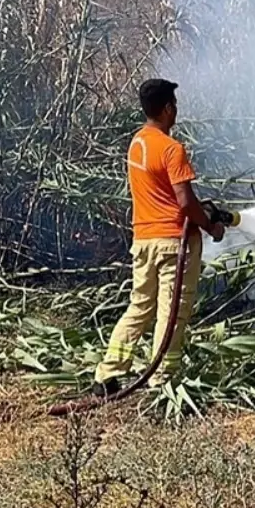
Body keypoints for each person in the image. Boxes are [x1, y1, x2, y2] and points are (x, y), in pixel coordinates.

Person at [92, 78, 225, 396]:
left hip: (143, 242)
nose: (176, 110)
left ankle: (108, 374)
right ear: (167, 109)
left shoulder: (136, 143)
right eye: (174, 105)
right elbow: (185, 202)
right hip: (173, 246)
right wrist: (210, 226)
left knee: (139, 306)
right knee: (172, 312)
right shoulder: (171, 149)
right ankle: (161, 382)